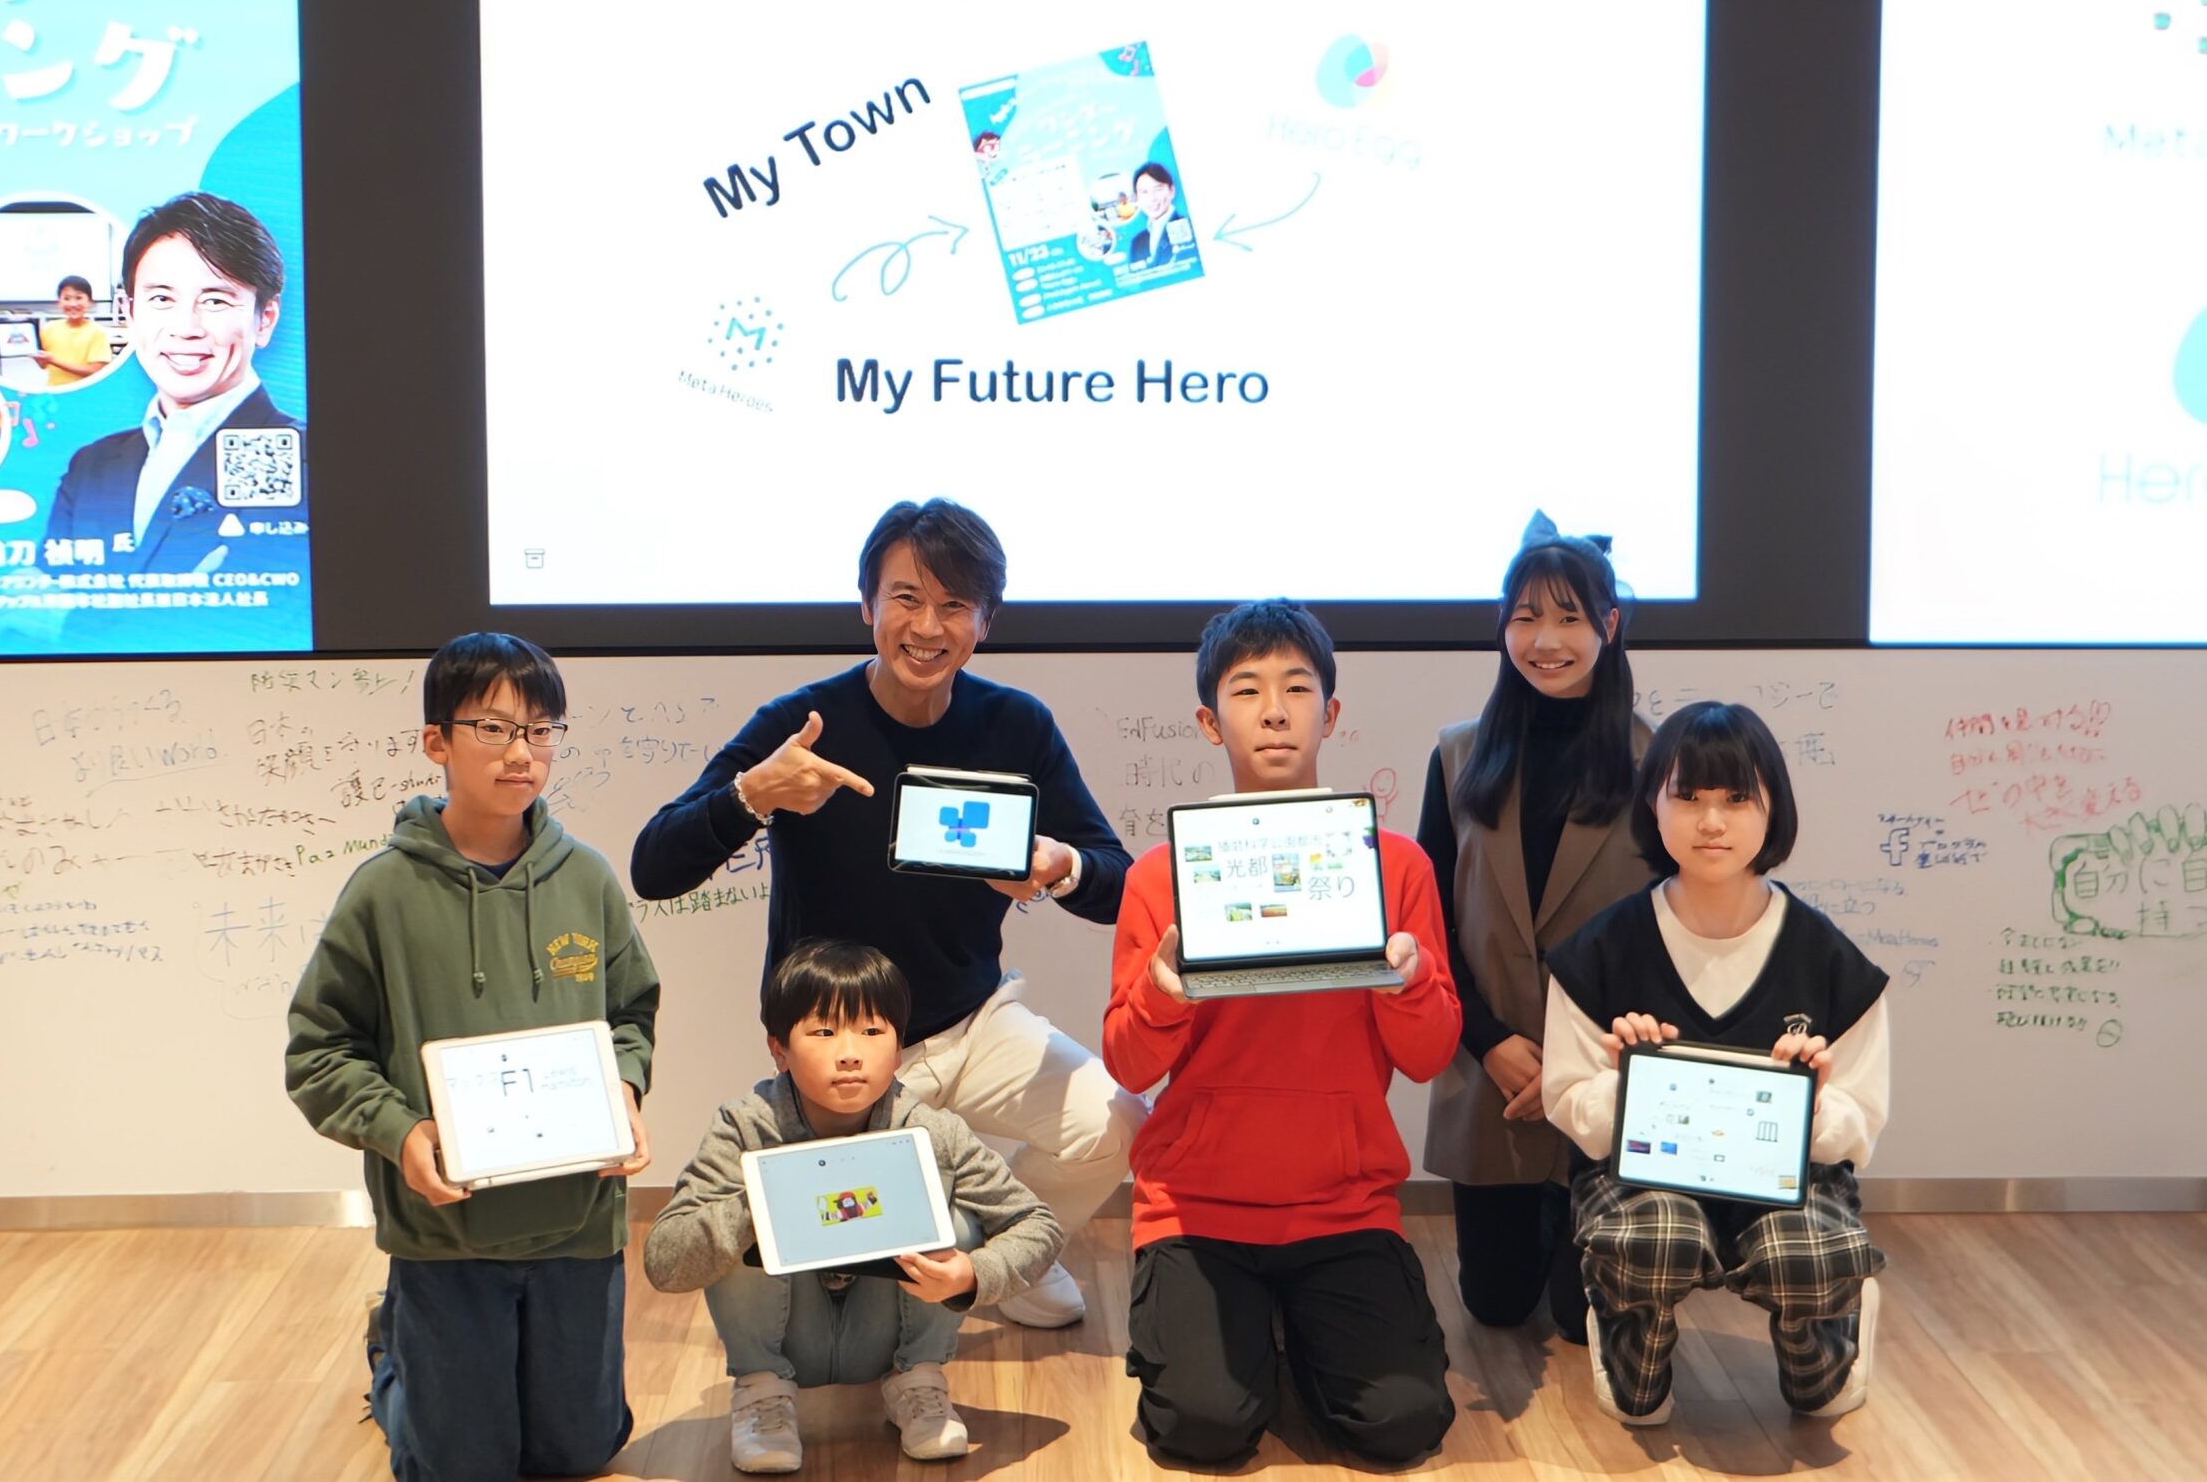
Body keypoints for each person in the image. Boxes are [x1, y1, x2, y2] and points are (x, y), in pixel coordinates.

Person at [632, 498, 1142, 1329]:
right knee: (843, 1311)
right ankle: (938, 1251)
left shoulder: (1016, 724)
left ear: (985, 621)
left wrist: (1061, 865)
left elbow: (1117, 877)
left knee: (1115, 1120)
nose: (927, 626)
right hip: (841, 1046)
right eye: (905, 597)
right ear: (866, 604)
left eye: (954, 604)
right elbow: (653, 865)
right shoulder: (803, 724)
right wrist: (752, 794)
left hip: (973, 1021)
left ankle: (1002, 1253)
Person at [286, 632, 660, 1482]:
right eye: (493, 728)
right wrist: (401, 1132)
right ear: (437, 741)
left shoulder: (587, 879)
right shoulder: (383, 890)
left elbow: (630, 1014)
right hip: (444, 1228)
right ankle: (397, 1353)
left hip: (577, 1219)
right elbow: (319, 1048)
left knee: (579, 1450)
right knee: (459, 1468)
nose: (521, 752)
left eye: (541, 729)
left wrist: (625, 1086)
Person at [1104, 600, 1460, 1467]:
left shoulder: (1395, 864)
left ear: (1329, 714)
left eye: (1297, 689)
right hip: (1196, 1207)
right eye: (1247, 690)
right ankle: (1255, 1337)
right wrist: (1163, 995)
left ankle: (1299, 1335)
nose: (1273, 710)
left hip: (1343, 1203)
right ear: (1208, 720)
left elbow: (1428, 1055)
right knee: (1204, 1427)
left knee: (1403, 1424)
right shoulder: (1160, 875)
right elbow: (1128, 1060)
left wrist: (1406, 979)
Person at [1541, 701, 1890, 1424]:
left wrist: (1814, 1099)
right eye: (1688, 797)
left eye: (1736, 798)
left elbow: (1861, 1125)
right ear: (1652, 805)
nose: (1710, 822)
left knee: (1811, 1311)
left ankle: (1827, 1339)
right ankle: (1629, 1341)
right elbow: (1567, 1101)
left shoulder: (1828, 959)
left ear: (1773, 808)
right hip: (1646, 1180)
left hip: (1790, 1184)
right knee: (1655, 1248)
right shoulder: (1599, 950)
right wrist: (1626, 1083)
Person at [645, 941, 1064, 1473]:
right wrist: (762, 1203)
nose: (849, 1053)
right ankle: (762, 1394)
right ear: (779, 1049)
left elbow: (1038, 1225)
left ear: (898, 1047)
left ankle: (918, 1383)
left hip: (888, 1333)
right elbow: (665, 1260)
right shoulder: (745, 1127)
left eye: (871, 1032)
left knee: (957, 1223)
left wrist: (973, 1276)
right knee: (733, 1221)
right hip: (786, 1336)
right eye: (824, 1032)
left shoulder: (930, 1130)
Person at [1417, 515, 1651, 1341]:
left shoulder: (1656, 762)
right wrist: (1488, 1042)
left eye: (1568, 617)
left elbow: (1667, 934)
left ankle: (1577, 1216)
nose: (1545, 640)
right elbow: (1428, 921)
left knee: (1584, 1322)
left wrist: (1578, 1063)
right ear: (1502, 625)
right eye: (1526, 617)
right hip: (1495, 1071)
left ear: (1608, 626)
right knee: (1495, 1304)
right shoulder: (1457, 755)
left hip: (1605, 1072)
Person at [45, 191, 306, 576]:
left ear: (264, 319)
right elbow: (42, 597)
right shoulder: (90, 466)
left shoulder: (305, 458)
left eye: (215, 301)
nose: (185, 329)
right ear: (129, 313)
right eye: (162, 299)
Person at [35, 274, 113, 387]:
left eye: (78, 298)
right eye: (66, 298)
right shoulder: (49, 328)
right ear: (59, 302)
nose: (73, 304)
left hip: (85, 392)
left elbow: (95, 370)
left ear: (89, 301)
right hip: (54, 390)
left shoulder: (97, 332)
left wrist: (53, 360)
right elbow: (43, 365)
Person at [1125, 160, 1192, 269]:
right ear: (1136, 198)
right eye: (1144, 192)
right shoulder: (1137, 242)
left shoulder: (1188, 227)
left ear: (1171, 191)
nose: (1152, 198)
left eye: (1158, 189)